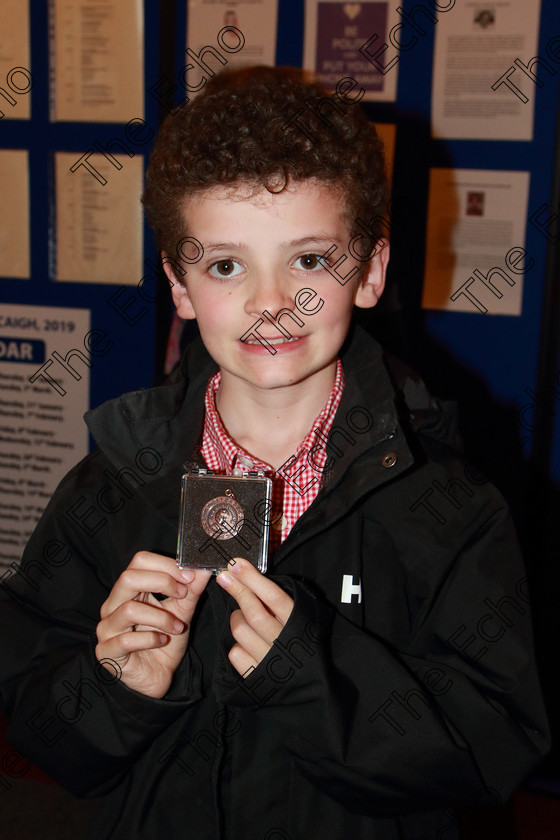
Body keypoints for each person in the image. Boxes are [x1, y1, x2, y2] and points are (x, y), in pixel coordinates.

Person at [0, 66, 550, 839]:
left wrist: (309, 677)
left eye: (310, 260)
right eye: (227, 265)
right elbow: (39, 728)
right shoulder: (111, 487)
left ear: (370, 270)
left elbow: (491, 747)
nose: (270, 302)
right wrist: (116, 688)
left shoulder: (449, 505)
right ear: (180, 286)